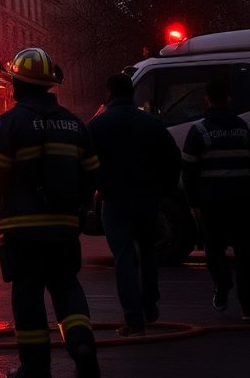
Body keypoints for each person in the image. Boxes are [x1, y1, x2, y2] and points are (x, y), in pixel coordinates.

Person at [0, 47, 101, 378]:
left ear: (17, 85)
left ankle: (35, 368)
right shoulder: (74, 124)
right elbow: (92, 175)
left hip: (23, 231)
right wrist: (77, 211)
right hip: (63, 227)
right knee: (66, 287)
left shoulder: (10, 123)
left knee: (28, 297)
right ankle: (82, 345)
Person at [87, 72, 180, 337]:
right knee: (148, 252)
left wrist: (100, 188)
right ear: (132, 92)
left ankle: (133, 319)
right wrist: (164, 190)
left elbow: (86, 163)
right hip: (148, 198)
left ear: (109, 93)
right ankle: (150, 304)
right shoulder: (152, 123)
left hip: (114, 201)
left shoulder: (98, 125)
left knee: (124, 257)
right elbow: (173, 159)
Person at [181, 78, 250, 320]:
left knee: (214, 249)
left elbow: (189, 171)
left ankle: (222, 286)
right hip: (243, 201)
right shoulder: (247, 128)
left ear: (207, 99)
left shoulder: (199, 131)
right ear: (229, 98)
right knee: (246, 254)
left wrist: (193, 203)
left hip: (212, 203)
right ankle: (249, 307)